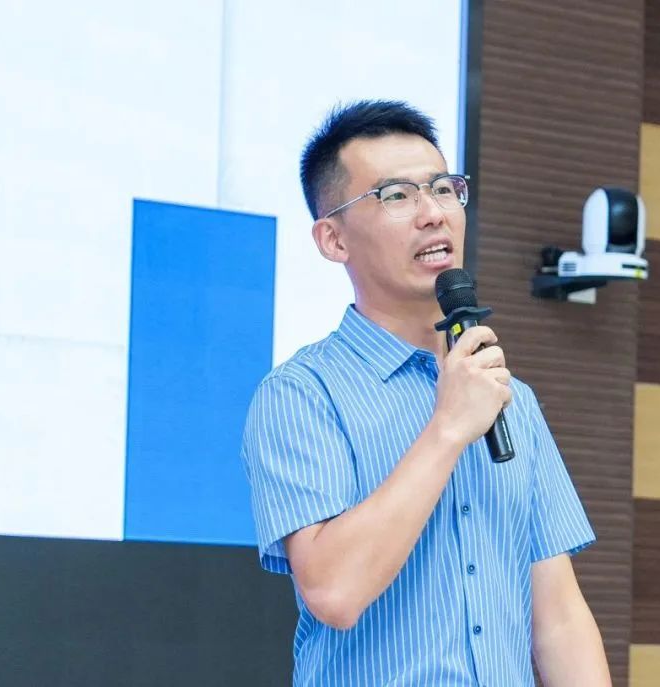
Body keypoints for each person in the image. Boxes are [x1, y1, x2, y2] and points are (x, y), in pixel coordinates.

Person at [241, 100, 611, 686]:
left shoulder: (508, 396)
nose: (433, 214)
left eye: (443, 189)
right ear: (333, 239)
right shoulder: (302, 395)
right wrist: (448, 429)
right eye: (396, 196)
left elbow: (559, 618)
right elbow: (333, 592)